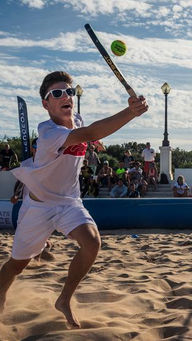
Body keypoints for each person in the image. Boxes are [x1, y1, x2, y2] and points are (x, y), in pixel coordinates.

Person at [0, 71, 148, 328]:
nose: (65, 96)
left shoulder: (76, 119)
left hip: (68, 201)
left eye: (68, 91)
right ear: (46, 104)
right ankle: (0, 292)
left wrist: (96, 140)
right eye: (56, 93)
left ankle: (64, 299)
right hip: (38, 206)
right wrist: (130, 113)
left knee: (92, 243)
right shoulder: (47, 133)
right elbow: (88, 133)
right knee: (17, 265)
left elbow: (87, 132)